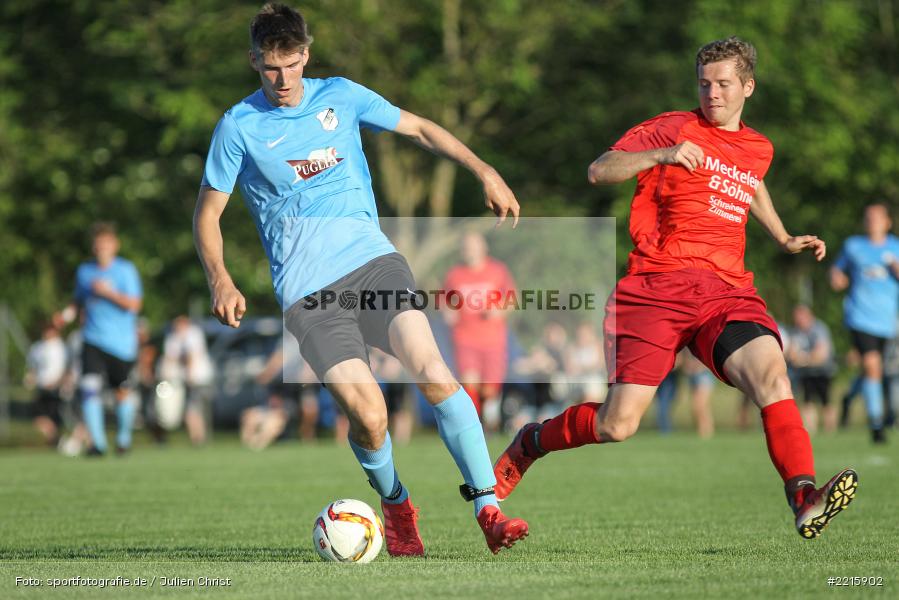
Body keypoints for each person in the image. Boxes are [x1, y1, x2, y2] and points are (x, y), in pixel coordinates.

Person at [193, 3, 526, 555]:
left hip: (374, 263)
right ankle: (395, 503)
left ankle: (488, 508)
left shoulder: (341, 96)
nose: (283, 79)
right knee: (370, 417)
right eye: (271, 67)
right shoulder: (238, 127)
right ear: (254, 61)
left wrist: (484, 170)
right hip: (309, 293)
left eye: (292, 64)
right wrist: (220, 279)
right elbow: (208, 214)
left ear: (307, 54)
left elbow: (418, 128)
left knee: (433, 372)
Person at [493, 37, 856, 539]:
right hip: (656, 289)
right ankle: (531, 442)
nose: (713, 93)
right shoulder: (673, 128)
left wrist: (782, 235)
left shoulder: (759, 148)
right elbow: (600, 170)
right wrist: (662, 154)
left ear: (748, 87)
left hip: (726, 292)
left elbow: (749, 180)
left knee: (773, 378)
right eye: (704, 84)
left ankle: (803, 496)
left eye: (724, 83)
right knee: (618, 425)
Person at [56, 223, 142, 456]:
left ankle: (123, 438)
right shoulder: (84, 272)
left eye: (105, 244)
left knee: (121, 393)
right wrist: (65, 316)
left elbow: (134, 305)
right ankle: (97, 443)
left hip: (121, 344)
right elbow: (78, 301)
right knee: (88, 388)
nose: (101, 248)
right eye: (97, 244)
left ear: (115, 245)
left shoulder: (125, 270)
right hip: (92, 338)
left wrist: (107, 293)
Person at [830, 203, 899, 443]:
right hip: (859, 317)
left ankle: (850, 397)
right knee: (872, 366)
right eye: (868, 218)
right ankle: (877, 425)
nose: (872, 222)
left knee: (877, 371)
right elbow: (836, 270)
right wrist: (837, 278)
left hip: (887, 321)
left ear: (887, 222)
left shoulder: (895, 247)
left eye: (877, 218)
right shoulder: (853, 246)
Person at [443, 231, 516, 431]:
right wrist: (448, 311)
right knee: (470, 382)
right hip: (465, 338)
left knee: (490, 389)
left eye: (474, 246)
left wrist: (499, 310)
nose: (470, 250)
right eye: (466, 247)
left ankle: (490, 422)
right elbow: (444, 301)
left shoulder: (498, 271)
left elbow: (512, 299)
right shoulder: (454, 274)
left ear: (484, 248)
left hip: (493, 339)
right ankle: (474, 426)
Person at [160, 316, 215, 445]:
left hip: (198, 379)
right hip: (186, 380)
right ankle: (198, 438)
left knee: (193, 410)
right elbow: (170, 357)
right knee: (194, 410)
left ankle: (198, 438)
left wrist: (190, 374)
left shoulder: (193, 334)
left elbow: (191, 355)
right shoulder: (174, 337)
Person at [785, 305, 837, 434]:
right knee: (807, 401)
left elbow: (822, 353)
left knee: (826, 401)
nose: (798, 320)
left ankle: (830, 431)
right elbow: (791, 351)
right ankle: (810, 431)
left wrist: (805, 359)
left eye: (800, 317)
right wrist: (796, 357)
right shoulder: (795, 331)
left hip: (823, 371)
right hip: (806, 372)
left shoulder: (819, 329)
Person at [24, 321, 68, 446]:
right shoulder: (37, 347)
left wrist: (58, 383)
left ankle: (57, 441)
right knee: (39, 418)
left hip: (56, 389)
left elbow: (65, 369)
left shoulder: (61, 348)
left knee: (54, 418)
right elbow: (33, 368)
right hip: (41, 388)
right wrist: (30, 379)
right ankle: (57, 441)